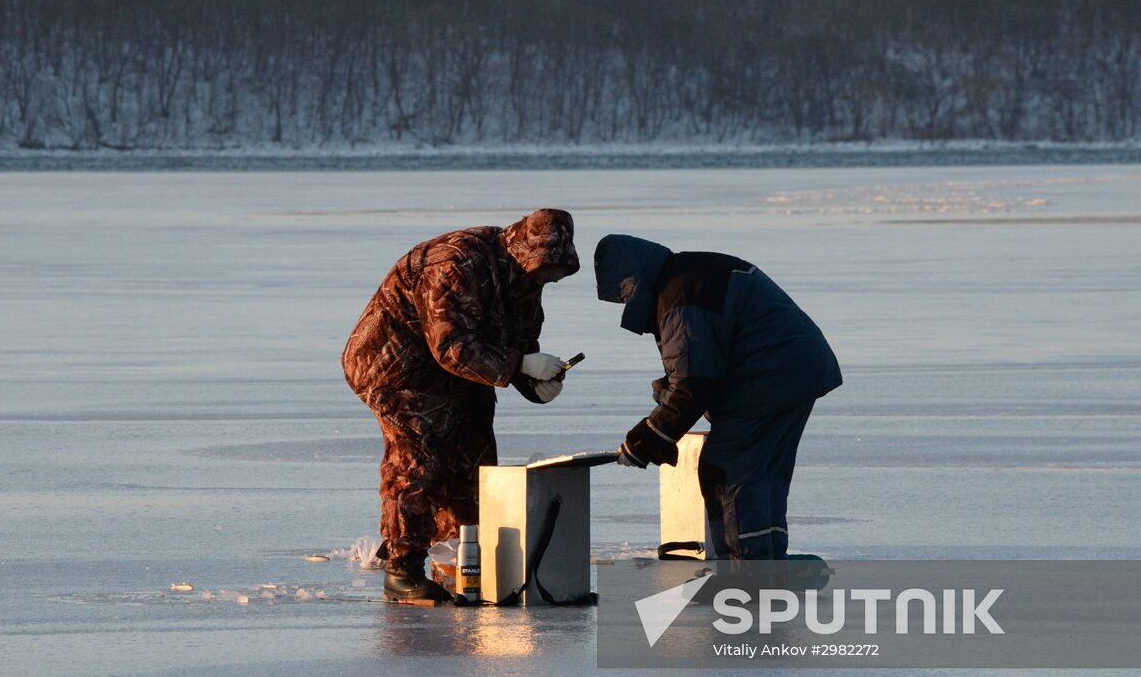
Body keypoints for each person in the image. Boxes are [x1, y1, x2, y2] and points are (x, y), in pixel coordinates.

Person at [343, 209, 579, 601]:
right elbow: (451, 345)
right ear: (525, 252)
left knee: (475, 452)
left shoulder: (525, 277)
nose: (546, 280)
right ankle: (402, 566)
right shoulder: (456, 263)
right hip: (393, 365)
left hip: (454, 372)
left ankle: (457, 554)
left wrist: (532, 381)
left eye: (552, 275)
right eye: (543, 271)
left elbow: (516, 339)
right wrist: (518, 364)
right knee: (420, 453)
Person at [594, 234, 841, 560]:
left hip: (769, 378)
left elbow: (694, 382)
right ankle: (767, 557)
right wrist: (668, 399)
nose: (626, 304)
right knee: (763, 472)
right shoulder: (686, 275)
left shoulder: (680, 295)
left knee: (726, 469)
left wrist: (650, 436)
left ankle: (746, 567)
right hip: (797, 369)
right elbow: (701, 360)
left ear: (631, 283)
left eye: (623, 296)